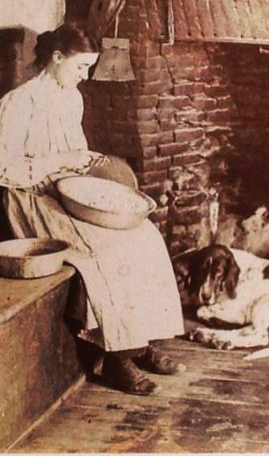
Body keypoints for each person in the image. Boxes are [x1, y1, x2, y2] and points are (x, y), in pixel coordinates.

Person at [0, 24, 185, 396]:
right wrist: (62, 161)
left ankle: (141, 341)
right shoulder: (17, 104)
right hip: (30, 197)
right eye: (80, 67)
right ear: (56, 59)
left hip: (67, 191)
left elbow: (76, 153)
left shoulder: (71, 98)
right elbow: (4, 169)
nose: (84, 77)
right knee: (105, 249)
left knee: (144, 234)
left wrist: (87, 163)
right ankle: (116, 359)